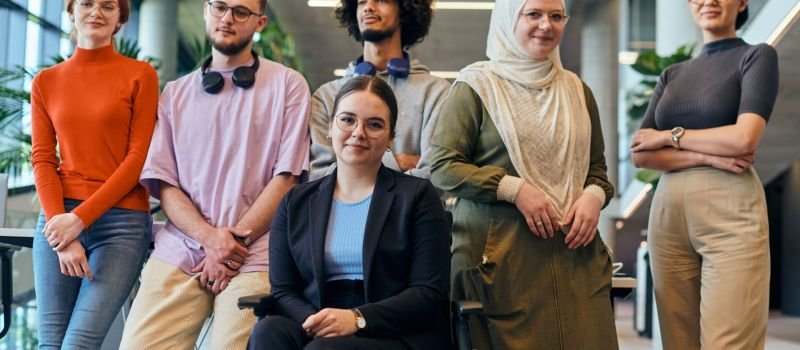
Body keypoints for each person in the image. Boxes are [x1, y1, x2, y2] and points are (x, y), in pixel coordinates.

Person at [119, 0, 311, 348]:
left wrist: (231, 246)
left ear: (261, 22)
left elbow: (287, 179)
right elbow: (165, 183)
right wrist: (210, 239)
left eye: (241, 11)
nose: (227, 18)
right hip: (181, 248)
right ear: (207, 11)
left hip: (254, 255)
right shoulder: (174, 94)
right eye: (220, 7)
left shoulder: (289, 85)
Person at [430, 0, 618, 348]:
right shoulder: (477, 86)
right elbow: (442, 166)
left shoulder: (578, 91)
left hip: (575, 261)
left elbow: (597, 169)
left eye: (556, 16)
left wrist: (594, 195)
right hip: (502, 264)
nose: (546, 25)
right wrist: (512, 188)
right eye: (533, 14)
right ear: (508, 20)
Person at [248, 76, 451, 350]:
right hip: (319, 318)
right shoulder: (295, 202)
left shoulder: (417, 196)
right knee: (268, 332)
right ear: (330, 127)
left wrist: (357, 319)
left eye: (374, 124)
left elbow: (428, 293)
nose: (358, 132)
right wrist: (317, 322)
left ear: (391, 137)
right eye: (347, 120)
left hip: (395, 331)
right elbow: (284, 290)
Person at [630, 0, 778, 348]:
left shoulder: (757, 56)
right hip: (668, 214)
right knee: (676, 341)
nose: (708, 1)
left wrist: (669, 136)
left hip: (731, 208)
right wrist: (709, 155)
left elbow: (744, 138)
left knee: (729, 341)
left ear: (741, 2)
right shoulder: (673, 74)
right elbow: (640, 155)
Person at [29, 0, 158, 347]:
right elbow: (42, 158)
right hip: (57, 221)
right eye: (87, 3)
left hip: (120, 223)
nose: (96, 12)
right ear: (71, 11)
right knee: (50, 343)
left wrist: (79, 220)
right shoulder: (46, 81)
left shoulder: (140, 75)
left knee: (78, 344)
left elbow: (136, 160)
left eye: (108, 6)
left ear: (120, 18)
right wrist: (62, 228)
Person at [309, 0, 450, 180]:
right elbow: (319, 178)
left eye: (381, 0)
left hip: (414, 209)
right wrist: (398, 162)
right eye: (361, 2)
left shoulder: (436, 93)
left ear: (405, 10)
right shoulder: (327, 96)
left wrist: (354, 168)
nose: (368, 7)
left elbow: (435, 177)